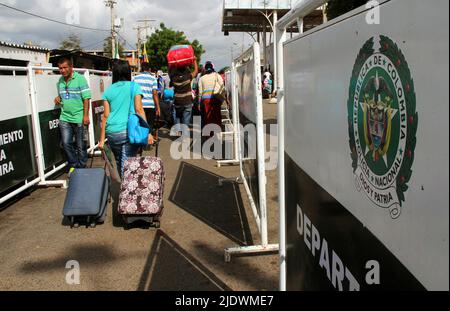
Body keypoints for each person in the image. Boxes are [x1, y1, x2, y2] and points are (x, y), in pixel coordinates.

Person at [98, 61, 153, 177]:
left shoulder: (109, 90)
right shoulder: (135, 87)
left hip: (112, 133)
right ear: (128, 72)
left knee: (120, 161)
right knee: (128, 166)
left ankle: (125, 189)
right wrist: (147, 132)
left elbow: (105, 116)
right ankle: (128, 191)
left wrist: (102, 140)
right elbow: (139, 109)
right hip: (128, 132)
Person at [54, 57, 91, 173]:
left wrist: (85, 116)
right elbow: (62, 96)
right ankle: (74, 165)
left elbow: (86, 99)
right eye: (60, 68)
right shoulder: (60, 81)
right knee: (66, 143)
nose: (63, 70)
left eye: (65, 67)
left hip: (79, 117)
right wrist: (58, 98)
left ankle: (82, 167)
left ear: (71, 67)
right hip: (64, 117)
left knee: (81, 145)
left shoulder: (80, 79)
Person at [169, 57, 199, 136]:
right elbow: (196, 71)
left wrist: (170, 64)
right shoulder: (188, 77)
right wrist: (195, 60)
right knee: (186, 118)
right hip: (187, 101)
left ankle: (178, 131)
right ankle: (184, 134)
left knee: (177, 116)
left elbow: (169, 72)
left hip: (177, 101)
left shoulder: (173, 78)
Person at [132, 62, 160, 130]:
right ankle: (149, 138)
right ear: (149, 69)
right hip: (150, 106)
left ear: (141, 68)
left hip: (138, 106)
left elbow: (132, 93)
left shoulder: (135, 78)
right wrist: (158, 107)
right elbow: (155, 94)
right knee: (149, 126)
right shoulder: (153, 79)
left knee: (140, 126)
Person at [198, 61, 224, 128]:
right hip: (216, 99)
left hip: (206, 100)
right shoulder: (217, 75)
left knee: (208, 117)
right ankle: (217, 132)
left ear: (205, 69)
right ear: (212, 67)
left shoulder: (201, 78)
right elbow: (222, 85)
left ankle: (210, 134)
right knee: (217, 116)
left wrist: (199, 103)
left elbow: (200, 92)